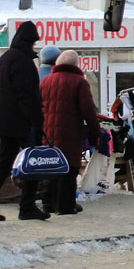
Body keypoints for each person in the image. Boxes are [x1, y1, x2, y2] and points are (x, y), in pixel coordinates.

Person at [40, 50, 101, 215]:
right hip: (70, 134)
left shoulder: (46, 81)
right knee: (68, 169)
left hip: (47, 133)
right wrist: (96, 132)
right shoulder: (79, 82)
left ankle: (49, 204)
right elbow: (88, 110)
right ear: (75, 65)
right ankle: (65, 206)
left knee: (51, 168)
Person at [0, 20, 50, 221]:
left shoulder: (5, 58)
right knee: (33, 163)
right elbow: (27, 96)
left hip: (4, 122)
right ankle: (27, 207)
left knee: (3, 163)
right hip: (22, 122)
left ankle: (27, 207)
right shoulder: (23, 62)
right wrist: (37, 122)